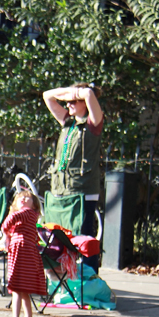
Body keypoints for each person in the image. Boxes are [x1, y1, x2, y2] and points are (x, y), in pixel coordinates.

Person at [43, 83, 104, 271]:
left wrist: (82, 93)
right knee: (59, 238)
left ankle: (89, 277)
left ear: (84, 102)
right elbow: (47, 95)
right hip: (61, 189)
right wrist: (70, 93)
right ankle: (64, 277)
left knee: (84, 237)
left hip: (82, 190)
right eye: (67, 101)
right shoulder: (68, 122)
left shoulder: (93, 123)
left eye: (73, 101)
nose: (68, 104)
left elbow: (89, 93)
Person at [2, 188, 46, 317]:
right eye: (20, 197)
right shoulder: (32, 215)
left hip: (20, 250)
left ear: (34, 204)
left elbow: (9, 221)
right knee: (24, 289)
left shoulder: (25, 212)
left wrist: (5, 232)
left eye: (28, 198)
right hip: (28, 252)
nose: (24, 199)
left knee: (16, 287)